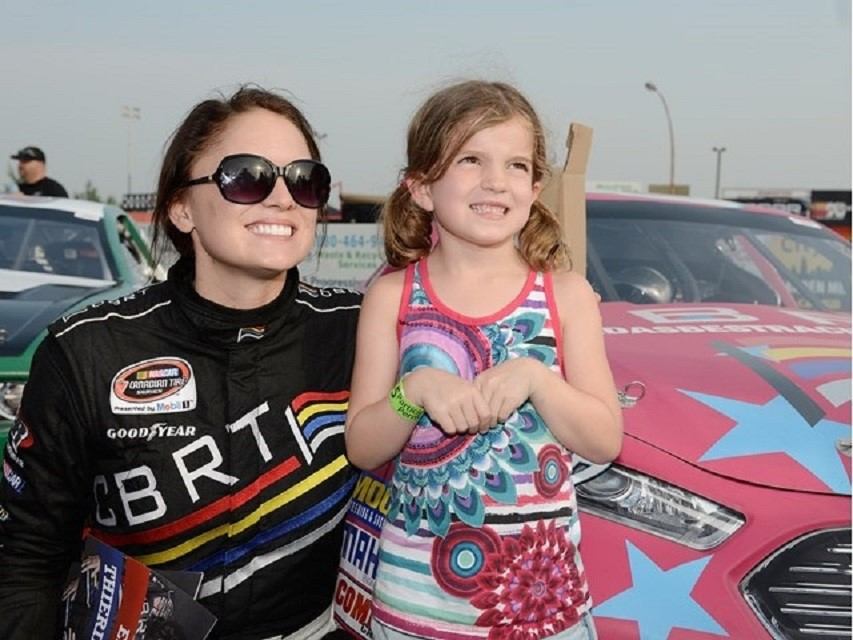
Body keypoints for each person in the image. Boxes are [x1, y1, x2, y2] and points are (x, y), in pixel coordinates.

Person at [0, 87, 361, 640]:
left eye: (304, 179)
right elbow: (24, 561)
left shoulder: (367, 328)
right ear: (181, 207)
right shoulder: (86, 351)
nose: (283, 198)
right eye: (249, 176)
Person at [345, 80, 623, 640]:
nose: (497, 181)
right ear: (421, 186)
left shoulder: (566, 296)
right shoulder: (391, 295)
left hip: (544, 614)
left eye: (517, 166)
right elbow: (362, 445)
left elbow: (604, 440)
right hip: (413, 611)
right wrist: (414, 389)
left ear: (536, 187)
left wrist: (536, 378)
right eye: (471, 159)